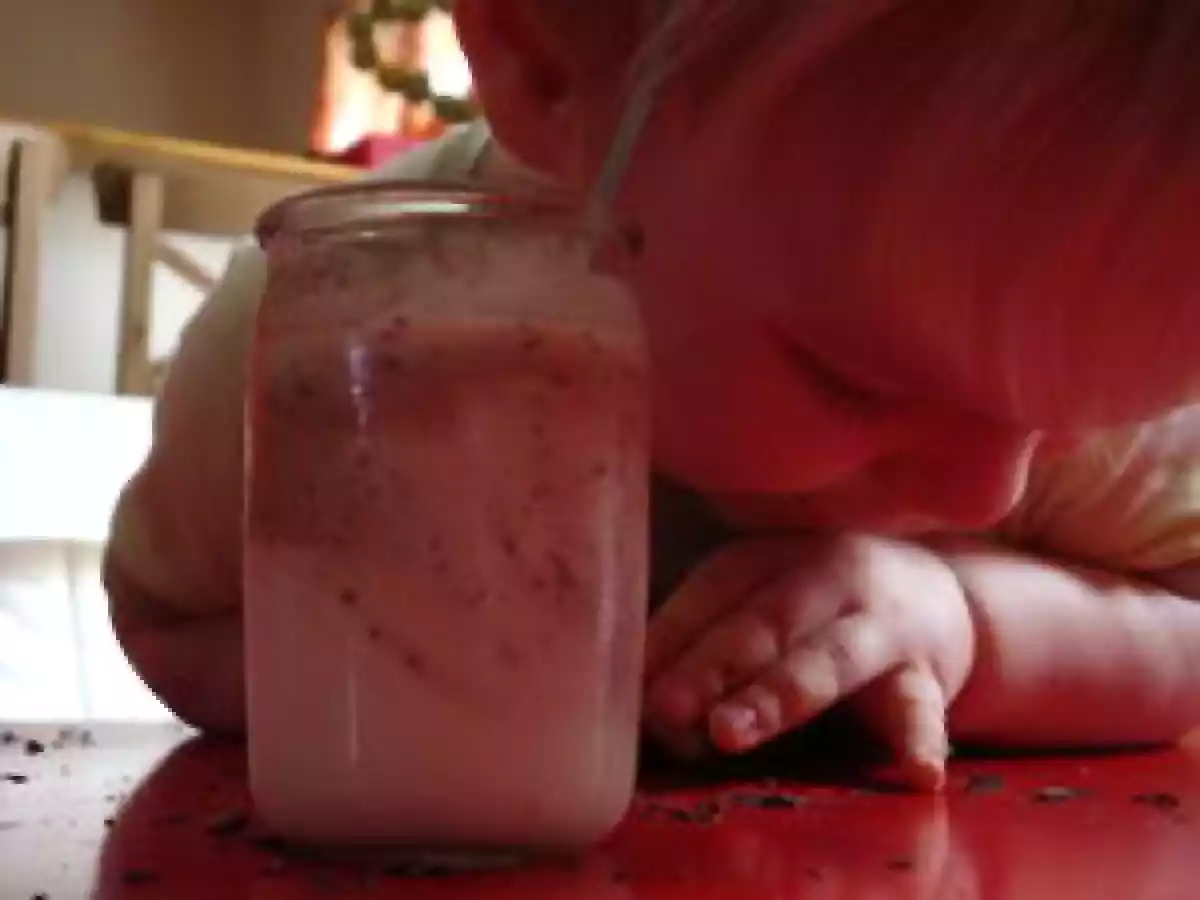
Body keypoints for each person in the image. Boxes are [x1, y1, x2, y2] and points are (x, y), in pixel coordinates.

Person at [105, 0, 1200, 790]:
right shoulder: (320, 333)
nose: (983, 493)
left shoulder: (1059, 325)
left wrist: (975, 624)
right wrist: (428, 691)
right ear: (543, 59)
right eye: (854, 379)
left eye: (1070, 423)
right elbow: (169, 619)